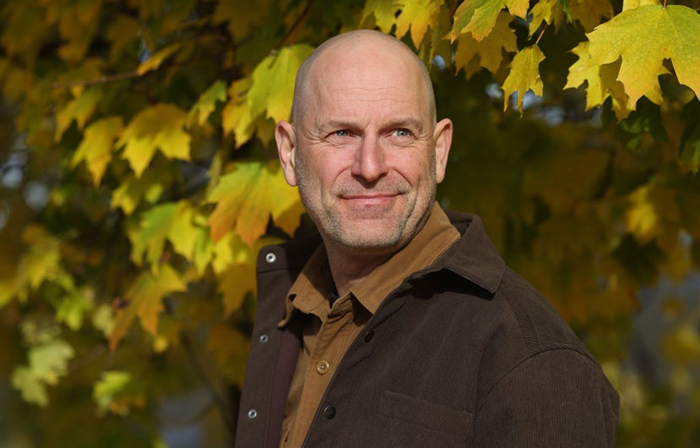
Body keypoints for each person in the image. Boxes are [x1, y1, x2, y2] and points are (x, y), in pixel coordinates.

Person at [235, 30, 619, 448]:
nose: (370, 166)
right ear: (290, 153)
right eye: (341, 133)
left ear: (438, 150)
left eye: (399, 132)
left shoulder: (532, 360)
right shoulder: (290, 309)